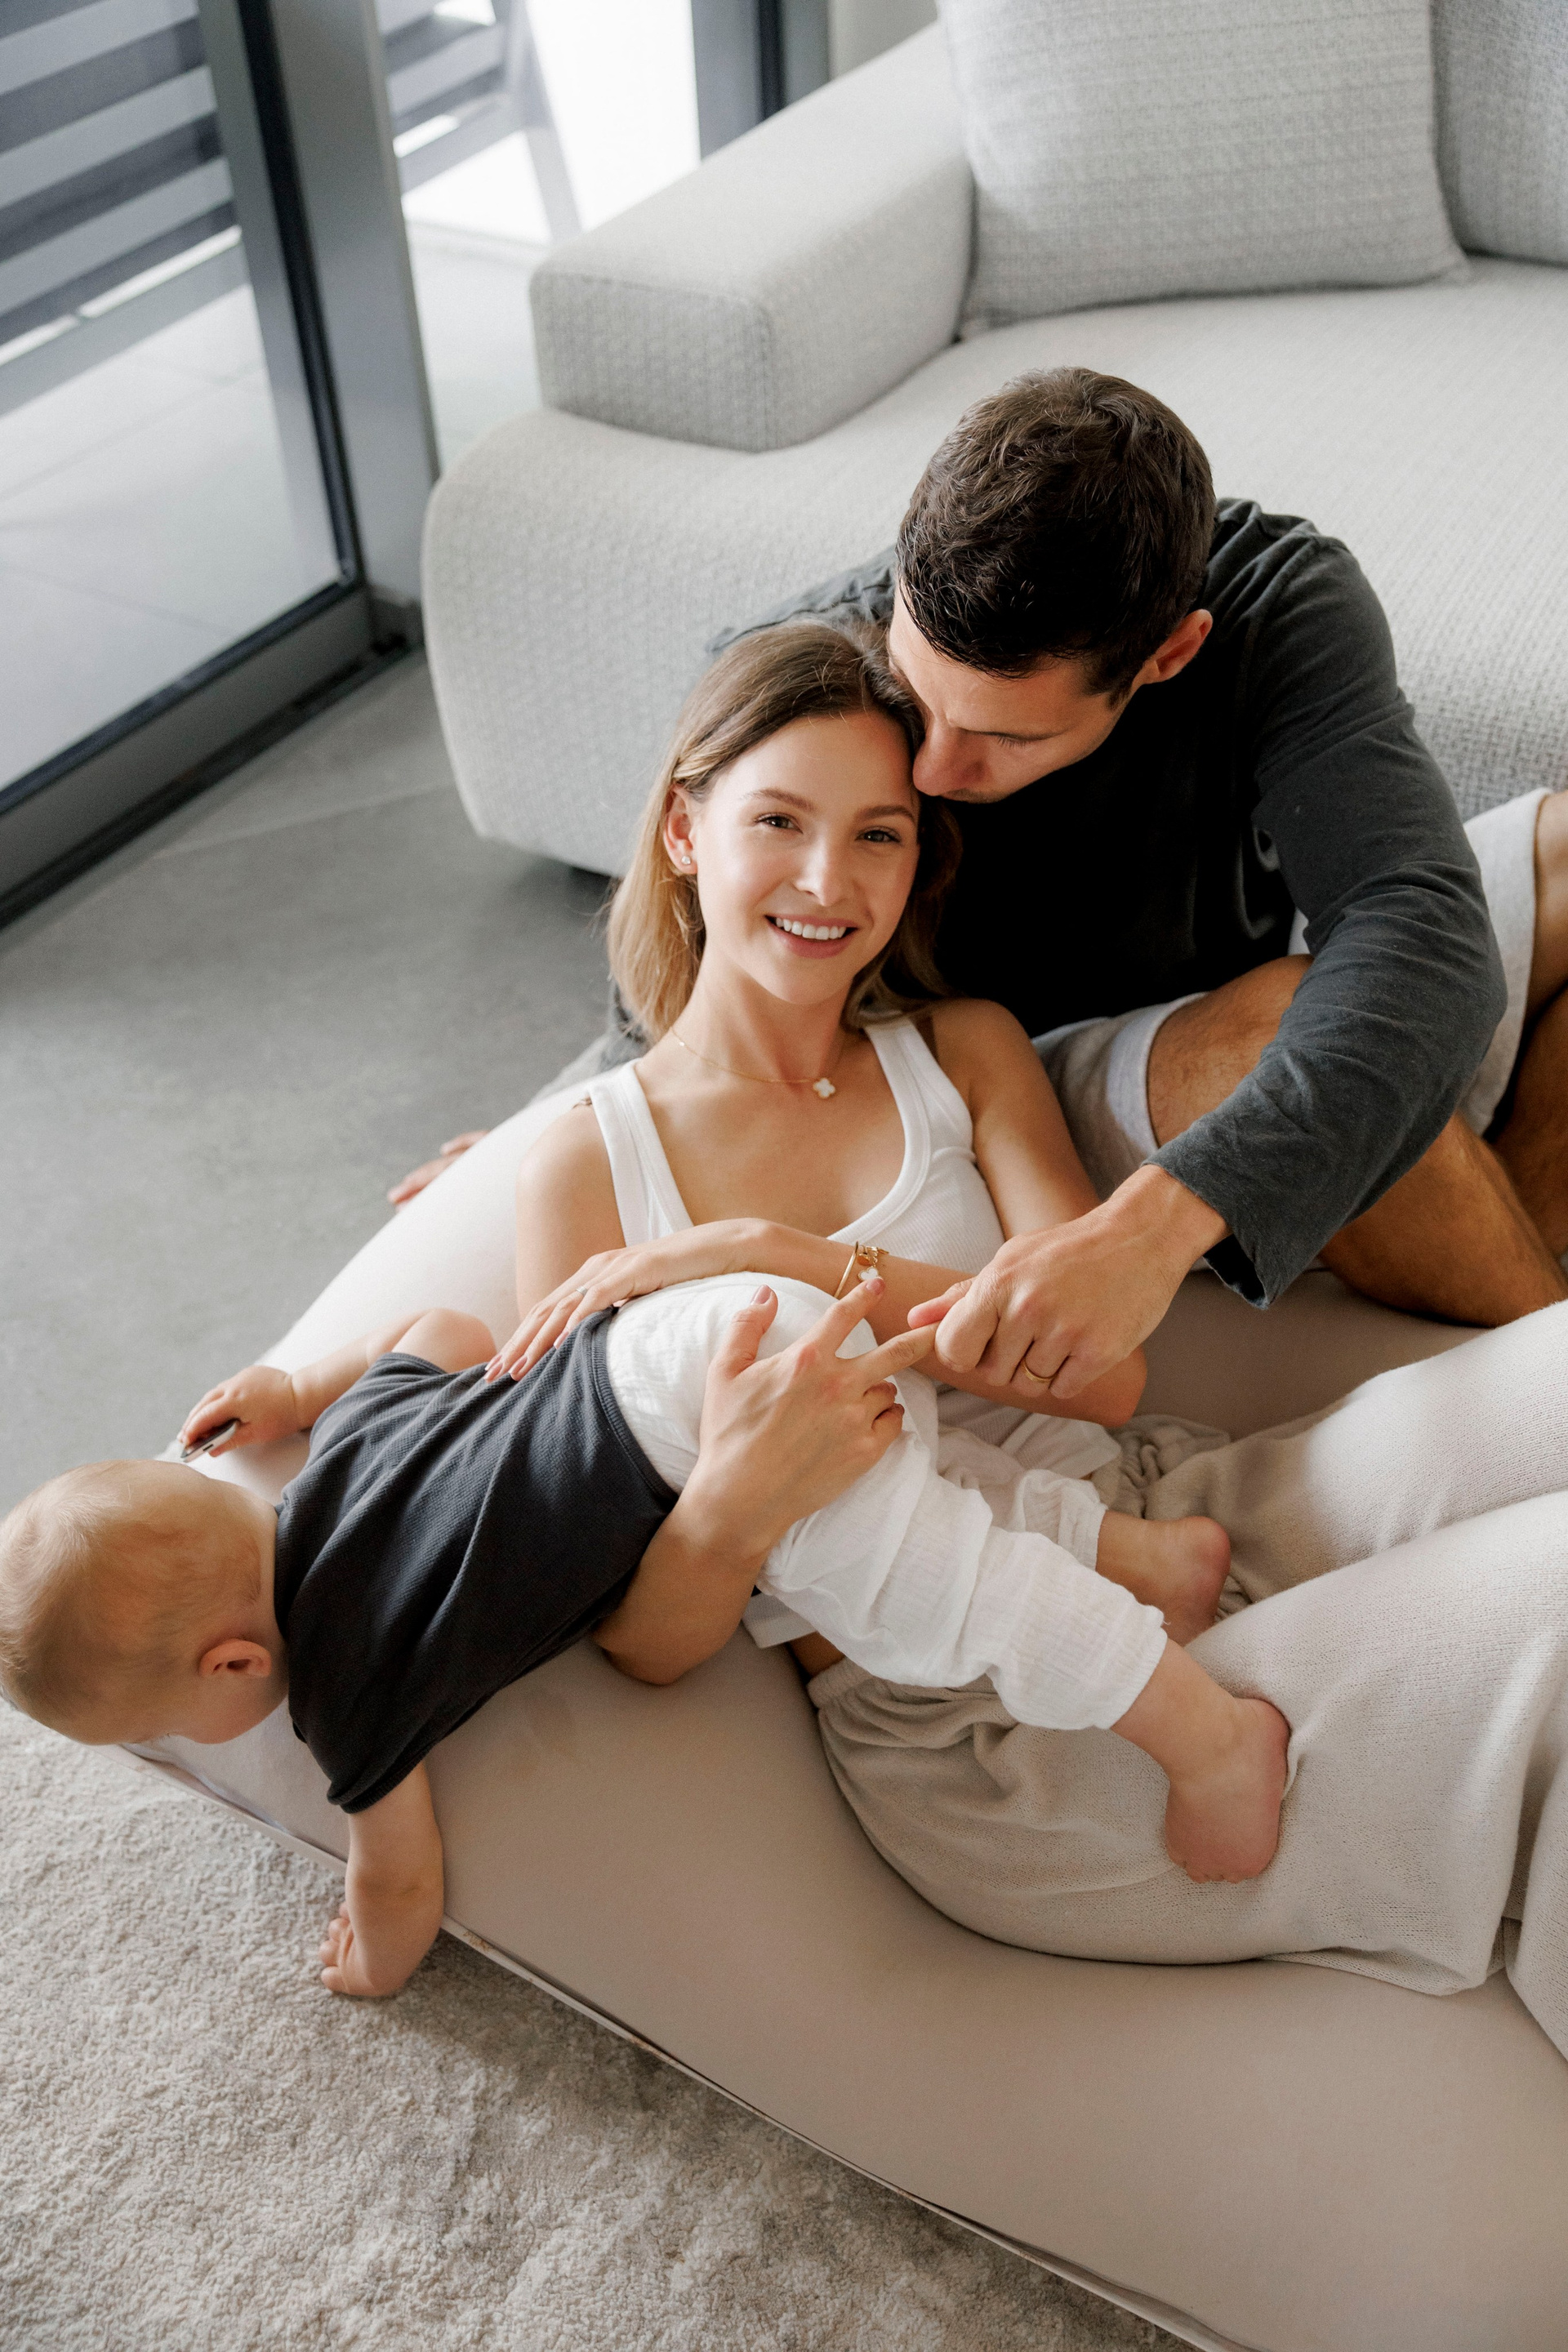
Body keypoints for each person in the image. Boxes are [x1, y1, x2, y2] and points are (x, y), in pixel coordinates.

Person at [712, 364, 1568, 1404]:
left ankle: (1484, 1232)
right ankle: (1549, 1389)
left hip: (1219, 999)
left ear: (1170, 653)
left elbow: (1421, 928)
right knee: (1286, 1033)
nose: (930, 772)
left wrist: (1157, 1224)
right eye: (914, 692)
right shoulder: (790, 677)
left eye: (1004, 736)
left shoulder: (1272, 596)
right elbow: (684, 980)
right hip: (1008, 1070)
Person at [0, 1285, 933, 1999]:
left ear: (233, 1664)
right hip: (696, 1333)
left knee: (657, 1653)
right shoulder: (353, 1432)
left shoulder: (345, 1700)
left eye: (170, 1724)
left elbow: (402, 1882)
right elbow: (446, 1329)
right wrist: (298, 1390)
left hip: (738, 1448)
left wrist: (373, 1966)